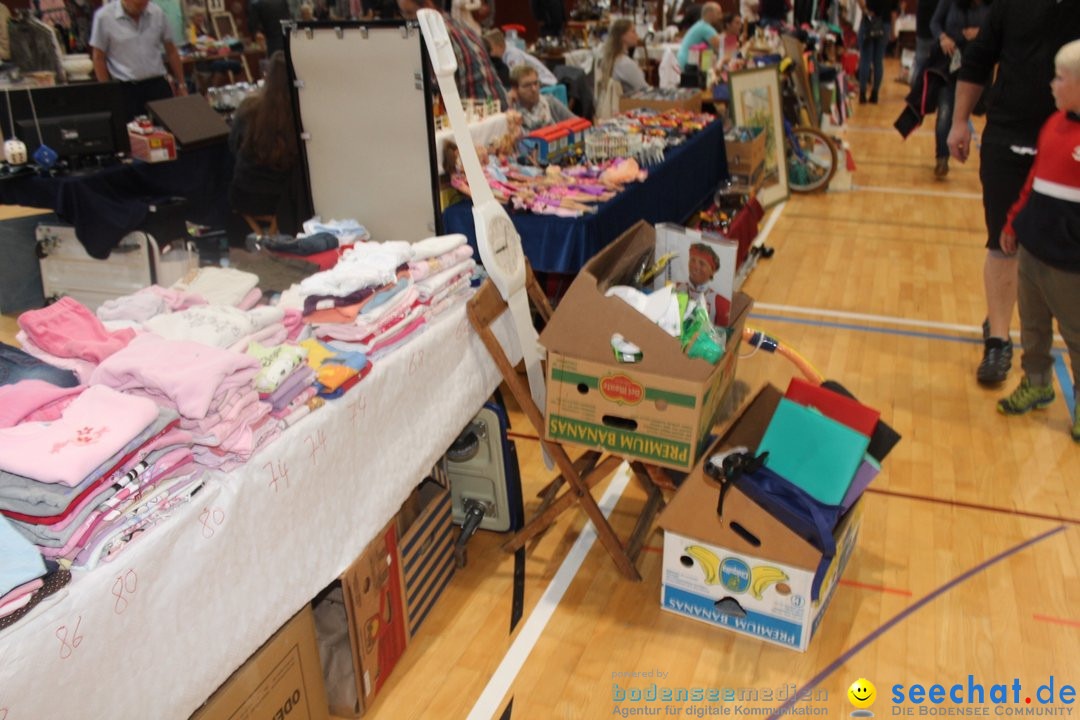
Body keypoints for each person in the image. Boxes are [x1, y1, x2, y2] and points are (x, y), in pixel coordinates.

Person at [947, 0, 1080, 386]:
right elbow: (977, 62)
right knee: (1002, 242)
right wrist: (958, 122)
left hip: (1069, 145)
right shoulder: (1010, 6)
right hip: (1009, 138)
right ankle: (999, 339)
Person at [995, 39, 1080, 443]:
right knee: (1032, 325)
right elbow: (1034, 179)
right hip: (1033, 249)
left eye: (1060, 78)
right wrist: (1014, 223)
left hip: (1071, 262)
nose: (1051, 84)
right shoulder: (1053, 124)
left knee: (1077, 333)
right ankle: (1037, 382)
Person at [228, 51, 299, 237]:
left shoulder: (247, 109)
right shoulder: (299, 116)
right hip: (281, 202)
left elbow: (233, 148)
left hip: (242, 196)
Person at [397, 0, 507, 109]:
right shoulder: (462, 26)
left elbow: (433, 102)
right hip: (499, 115)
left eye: (408, 13)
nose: (407, 21)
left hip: (477, 118)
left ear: (427, 5)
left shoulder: (435, 38)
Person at [89, 0, 187, 121]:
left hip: (157, 85)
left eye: (144, 4)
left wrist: (182, 84)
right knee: (132, 135)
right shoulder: (104, 17)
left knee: (168, 131)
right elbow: (98, 58)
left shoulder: (157, 12)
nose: (142, 8)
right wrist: (107, 91)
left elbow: (171, 51)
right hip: (126, 89)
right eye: (138, 5)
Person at [926, 0, 988, 178]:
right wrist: (943, 38)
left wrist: (980, 33)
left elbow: (1001, 31)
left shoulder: (991, 6)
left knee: (983, 113)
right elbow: (935, 22)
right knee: (945, 111)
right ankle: (942, 159)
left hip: (979, 69)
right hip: (950, 67)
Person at [855, 0, 898, 104]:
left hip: (869, 22)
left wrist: (865, 9)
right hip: (885, 24)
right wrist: (893, 31)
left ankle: (862, 93)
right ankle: (875, 94)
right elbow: (894, 12)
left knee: (865, 59)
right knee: (878, 61)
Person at [509, 64, 575, 131]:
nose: (534, 89)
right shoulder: (513, 113)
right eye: (527, 85)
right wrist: (510, 105)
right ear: (515, 89)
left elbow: (577, 123)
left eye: (536, 83)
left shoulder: (550, 102)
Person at [483, 29, 557, 87]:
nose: (489, 53)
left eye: (490, 49)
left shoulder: (512, 54)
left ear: (500, 45)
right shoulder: (504, 53)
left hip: (546, 82)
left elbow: (516, 78)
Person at [599, 18, 649, 95]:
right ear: (623, 36)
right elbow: (644, 89)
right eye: (633, 31)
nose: (637, 35)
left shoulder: (610, 57)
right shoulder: (625, 63)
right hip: (632, 104)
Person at [677, 1, 723, 70]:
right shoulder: (706, 28)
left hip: (684, 62)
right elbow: (721, 47)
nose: (721, 16)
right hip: (689, 66)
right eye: (718, 13)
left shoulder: (700, 24)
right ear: (710, 14)